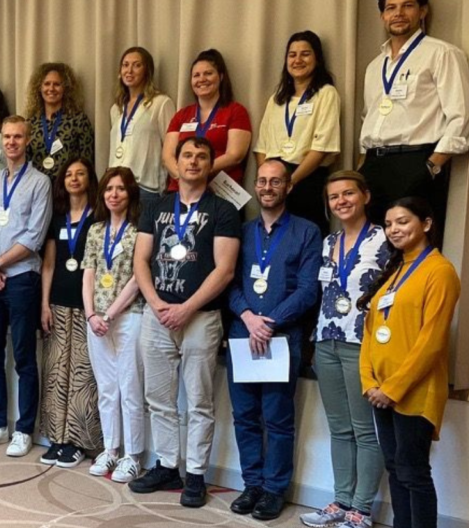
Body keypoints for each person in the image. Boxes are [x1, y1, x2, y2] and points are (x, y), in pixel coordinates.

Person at [129, 136, 241, 508]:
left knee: (198, 402)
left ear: (211, 164)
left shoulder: (223, 211)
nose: (193, 162)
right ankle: (165, 465)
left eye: (201, 156)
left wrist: (186, 308)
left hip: (201, 319)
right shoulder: (157, 207)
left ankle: (195, 474)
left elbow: (224, 271)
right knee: (158, 399)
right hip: (157, 315)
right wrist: (159, 303)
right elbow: (141, 261)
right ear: (175, 163)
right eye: (187, 155)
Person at [224, 159, 321, 520]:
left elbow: (309, 289)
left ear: (288, 187)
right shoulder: (241, 230)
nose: (267, 187)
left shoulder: (308, 231)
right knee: (245, 416)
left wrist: (271, 321)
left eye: (275, 181)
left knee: (278, 419)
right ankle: (252, 484)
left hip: (283, 338)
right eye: (262, 181)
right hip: (242, 334)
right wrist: (249, 317)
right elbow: (229, 281)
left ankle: (274, 489)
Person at [359, 197, 460, 528]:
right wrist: (370, 383)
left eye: (402, 221)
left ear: (426, 224)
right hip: (380, 390)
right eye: (388, 224)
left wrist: (392, 388)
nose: (393, 229)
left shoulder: (440, 271)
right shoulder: (394, 270)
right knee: (395, 467)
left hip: (415, 391)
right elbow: (372, 332)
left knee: (413, 471)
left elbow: (431, 342)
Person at [300, 170, 388, 528]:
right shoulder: (327, 241)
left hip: (362, 344)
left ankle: (362, 509)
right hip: (326, 341)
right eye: (334, 197)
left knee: (365, 429)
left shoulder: (384, 240)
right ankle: (341, 500)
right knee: (339, 428)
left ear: (365, 196)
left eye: (348, 193)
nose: (341, 201)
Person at [359, 0, 469, 239]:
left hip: (416, 162)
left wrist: (431, 166)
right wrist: (364, 165)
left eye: (407, 6)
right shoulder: (375, 66)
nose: (398, 14)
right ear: (382, 16)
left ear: (423, 11)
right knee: (376, 246)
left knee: (415, 246)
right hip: (374, 165)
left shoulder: (442, 53)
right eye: (390, 8)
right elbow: (369, 116)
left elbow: (462, 116)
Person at [0, 115, 52, 457]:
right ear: (1, 141)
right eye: (7, 136)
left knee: (23, 356)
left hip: (22, 279)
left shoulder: (40, 183)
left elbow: (34, 237)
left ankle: (23, 429)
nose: (12, 142)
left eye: (18, 136)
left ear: (27, 140)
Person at [81, 166, 146, 483]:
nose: (114, 194)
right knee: (107, 389)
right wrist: (91, 313)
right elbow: (89, 273)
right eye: (109, 188)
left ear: (130, 193)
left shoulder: (139, 231)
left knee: (130, 387)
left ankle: (133, 456)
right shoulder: (95, 230)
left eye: (120, 188)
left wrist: (109, 315)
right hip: (97, 321)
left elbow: (137, 279)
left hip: (129, 316)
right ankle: (111, 449)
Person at [39, 157, 101, 468]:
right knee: (55, 374)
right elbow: (48, 264)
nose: (74, 179)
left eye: (80, 174)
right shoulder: (57, 216)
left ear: (90, 179)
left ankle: (77, 441)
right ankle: (57, 438)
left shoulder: (100, 216)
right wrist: (44, 303)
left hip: (88, 306)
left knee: (83, 376)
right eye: (69, 175)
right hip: (59, 303)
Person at [256, 31, 341, 236]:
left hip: (306, 178)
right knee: (273, 239)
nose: (298, 60)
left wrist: (290, 181)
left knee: (306, 239)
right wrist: (269, 180)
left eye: (305, 54)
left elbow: (321, 148)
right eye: (292, 55)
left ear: (317, 59)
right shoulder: (276, 98)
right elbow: (262, 146)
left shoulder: (326, 93)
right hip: (276, 180)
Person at [163, 49, 252, 192]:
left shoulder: (236, 111)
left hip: (220, 193)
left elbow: (235, 155)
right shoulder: (182, 115)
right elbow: (168, 156)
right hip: (180, 190)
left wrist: (198, 173)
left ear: (221, 77)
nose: (201, 79)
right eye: (196, 75)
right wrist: (185, 177)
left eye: (208, 73)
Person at [108, 47, 174, 215]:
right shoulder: (116, 108)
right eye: (125, 65)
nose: (129, 70)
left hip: (145, 188)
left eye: (136, 65)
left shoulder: (161, 103)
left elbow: (171, 148)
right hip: (115, 189)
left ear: (147, 71)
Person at [25, 63, 95, 179]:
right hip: (38, 189)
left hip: (68, 188)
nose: (51, 89)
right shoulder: (31, 123)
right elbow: (25, 162)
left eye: (57, 84)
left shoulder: (78, 120)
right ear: (39, 88)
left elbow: (87, 162)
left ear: (65, 88)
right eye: (47, 84)